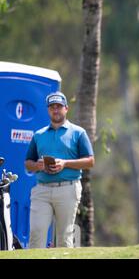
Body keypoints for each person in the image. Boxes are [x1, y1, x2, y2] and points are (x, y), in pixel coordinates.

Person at [25, 91, 95, 248]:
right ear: (48, 110)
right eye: (52, 107)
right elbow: (28, 162)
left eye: (59, 107)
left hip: (68, 189)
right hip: (41, 190)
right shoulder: (39, 135)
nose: (55, 110)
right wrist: (38, 165)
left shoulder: (78, 133)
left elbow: (90, 161)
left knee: (64, 239)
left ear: (66, 108)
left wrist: (65, 163)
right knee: (36, 235)